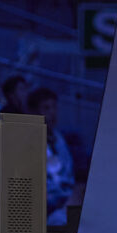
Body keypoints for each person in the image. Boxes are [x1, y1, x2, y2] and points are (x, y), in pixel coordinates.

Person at [27, 87, 75, 225]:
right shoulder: (27, 141)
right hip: (44, 207)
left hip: (65, 201)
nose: (52, 112)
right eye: (46, 108)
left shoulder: (59, 139)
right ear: (34, 112)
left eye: (54, 107)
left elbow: (69, 175)